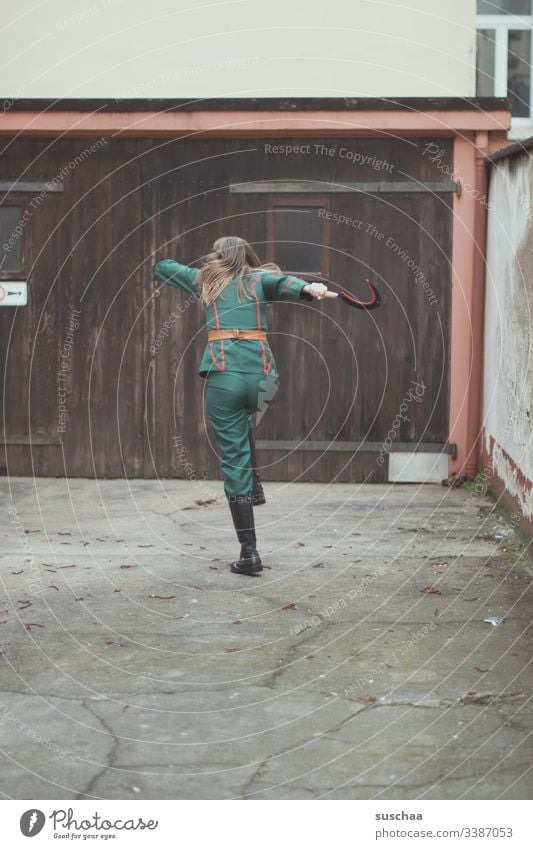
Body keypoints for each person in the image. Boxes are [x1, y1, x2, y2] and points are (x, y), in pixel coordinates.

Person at [153, 236, 327, 576]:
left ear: (220, 256)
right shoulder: (260, 280)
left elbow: (163, 268)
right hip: (265, 380)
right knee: (245, 423)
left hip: (226, 377)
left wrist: (200, 265)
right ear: (247, 256)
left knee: (233, 457)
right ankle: (253, 483)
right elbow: (285, 283)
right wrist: (309, 289)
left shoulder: (206, 279)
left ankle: (249, 553)